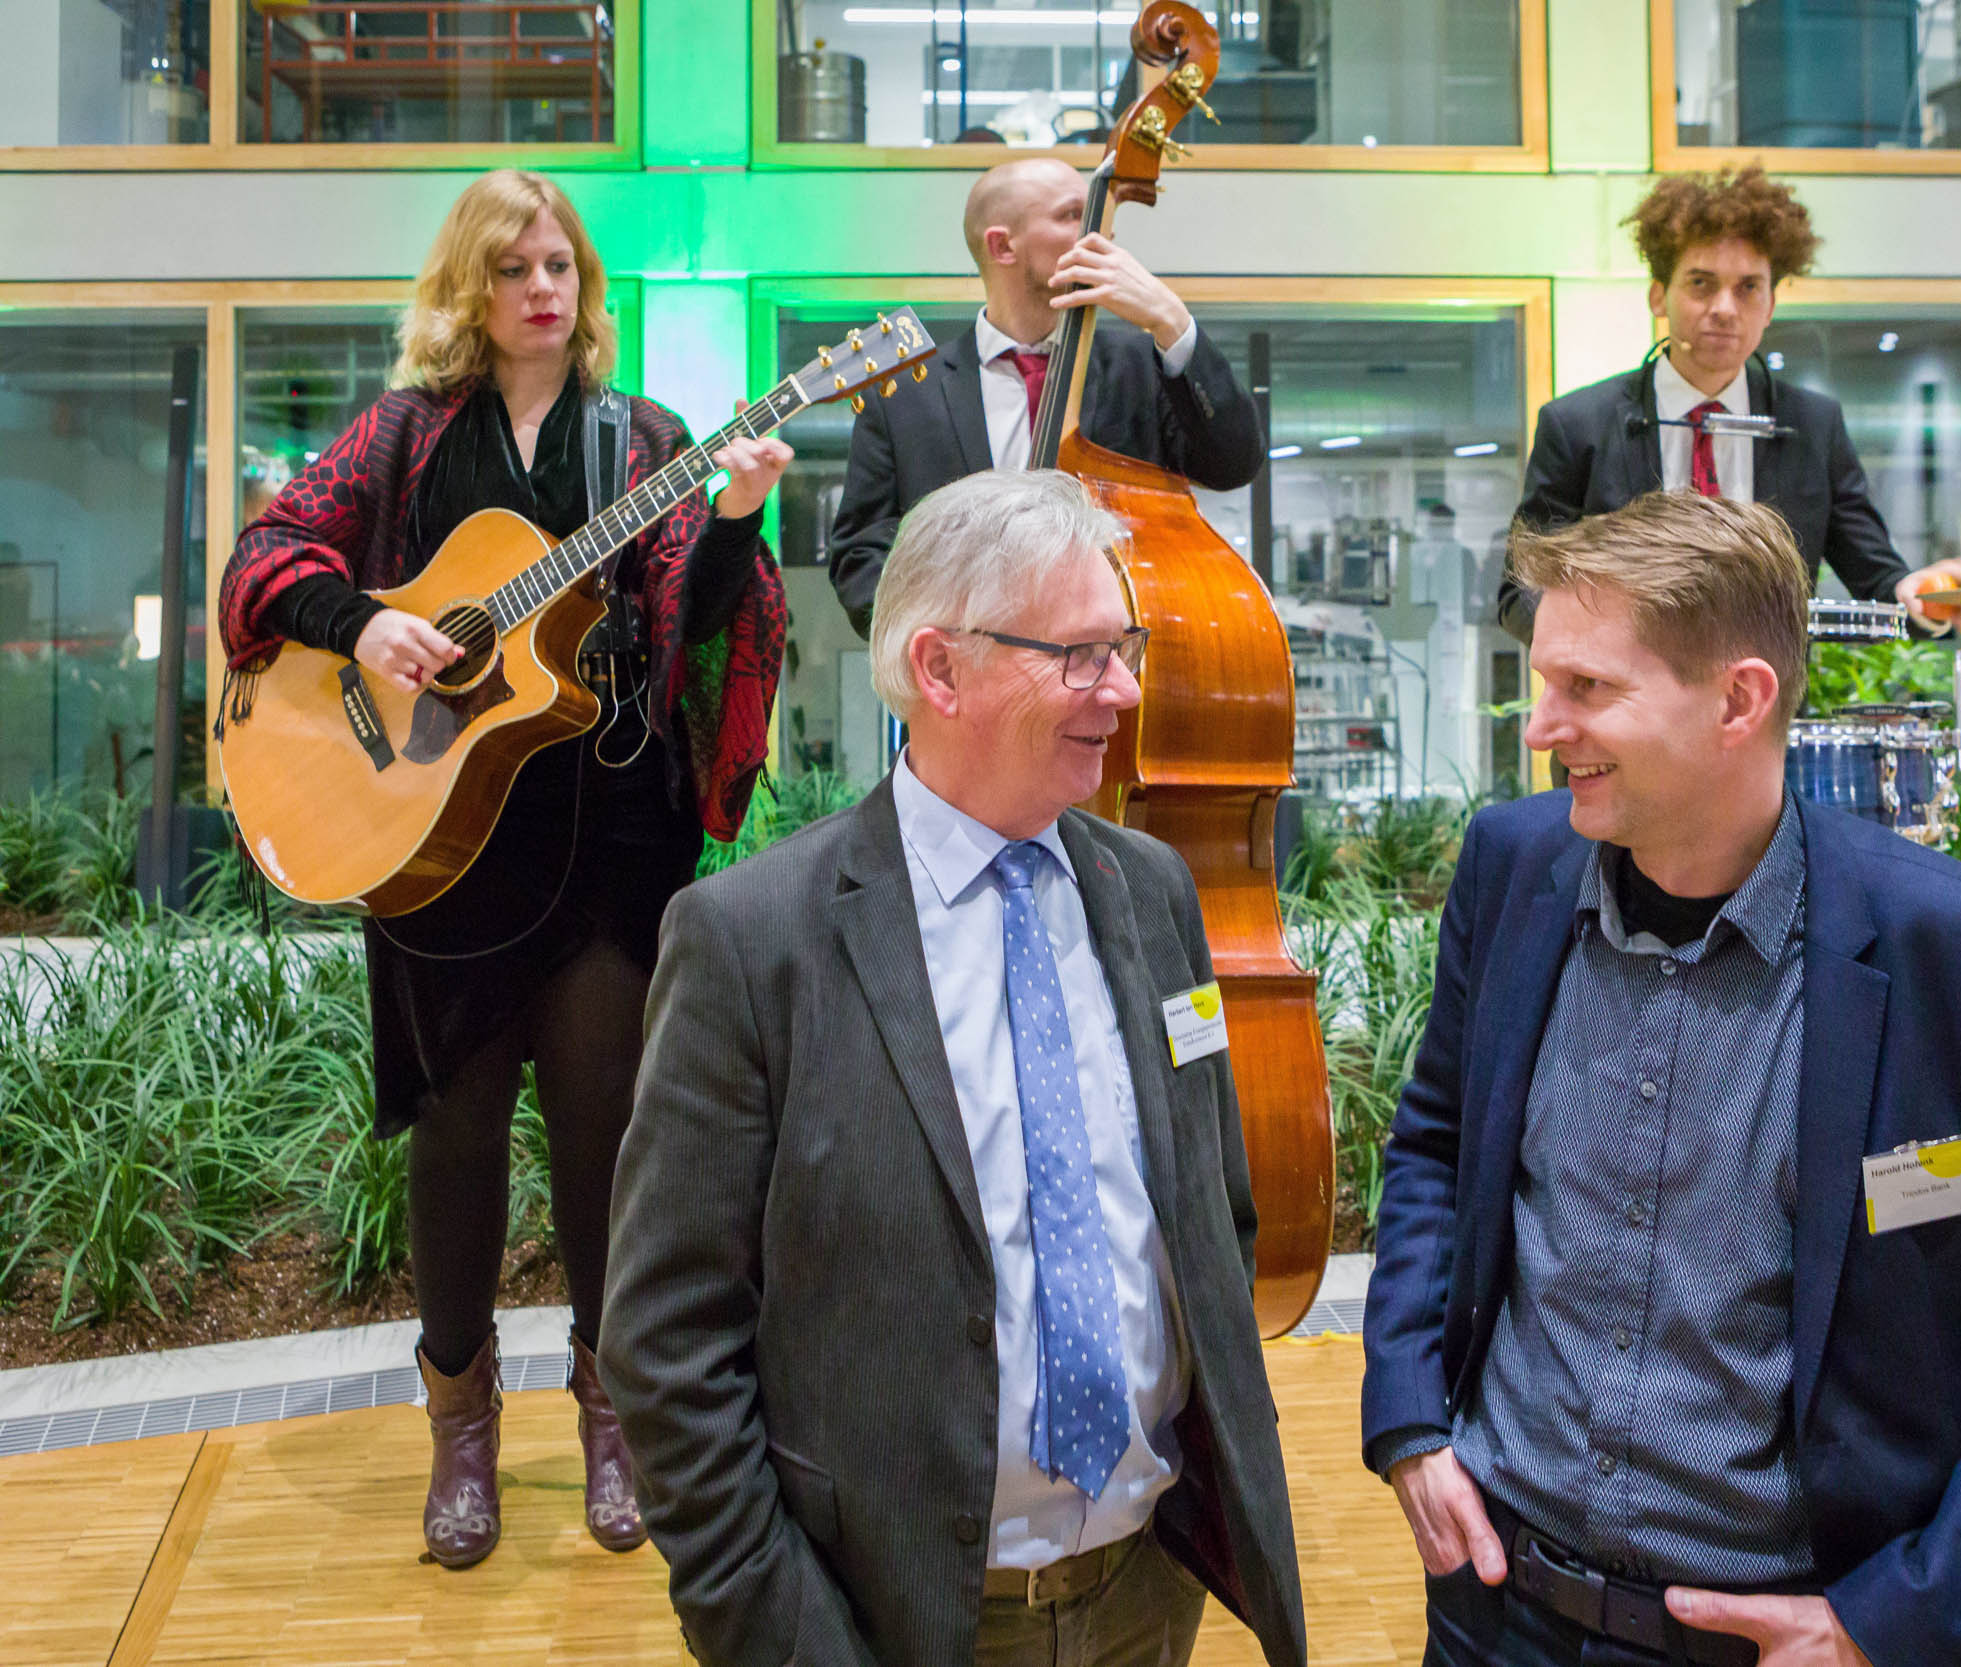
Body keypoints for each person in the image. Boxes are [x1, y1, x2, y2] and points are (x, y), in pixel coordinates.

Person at [1363, 490, 1961, 1667]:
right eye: (1544, 681)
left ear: (1739, 700)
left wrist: (1891, 1625)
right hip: (1496, 1610)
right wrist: (1407, 1417)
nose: (1541, 726)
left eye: (1587, 687)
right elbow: (1437, 1144)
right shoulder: (1511, 868)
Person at [602, 469, 1306, 1667]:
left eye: (1124, 647)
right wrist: (782, 1635)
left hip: (1148, 1587)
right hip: (892, 1616)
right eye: (1080, 655)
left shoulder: (1151, 893)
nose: (1124, 689)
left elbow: (1207, 1210)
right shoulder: (754, 942)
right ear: (941, 669)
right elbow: (669, 1346)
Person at [217, 168, 790, 1571]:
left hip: (606, 839)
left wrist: (729, 519)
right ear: (469, 289)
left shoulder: (641, 437)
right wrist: (363, 626)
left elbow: (690, 623)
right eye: (514, 266)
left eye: (560, 265)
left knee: (605, 1131)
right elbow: (265, 556)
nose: (543, 287)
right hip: (437, 854)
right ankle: (460, 1424)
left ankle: (612, 1415)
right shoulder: (407, 437)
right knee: (457, 1135)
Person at [1494, 167, 1961, 645]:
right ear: (1658, 297)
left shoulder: (1814, 426)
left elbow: (1878, 581)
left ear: (1770, 305)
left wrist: (1926, 595)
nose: (1725, 309)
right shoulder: (1577, 425)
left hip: (1764, 696)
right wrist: (1607, 639)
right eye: (1701, 283)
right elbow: (1521, 596)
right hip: (1623, 695)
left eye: (1748, 287)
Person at [824, 156, 1267, 638]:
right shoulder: (904, 394)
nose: (1101, 234)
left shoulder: (1142, 366)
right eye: (1072, 215)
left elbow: (1233, 464)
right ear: (1002, 246)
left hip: (1120, 663)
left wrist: (1174, 323)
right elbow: (861, 555)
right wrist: (945, 644)